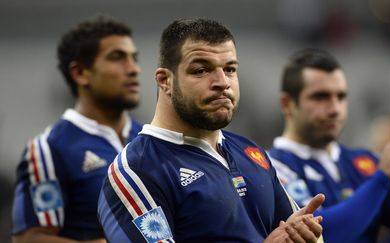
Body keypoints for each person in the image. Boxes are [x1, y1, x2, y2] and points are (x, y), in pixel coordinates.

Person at [98, 18, 325, 243]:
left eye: (230, 69)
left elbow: (304, 235)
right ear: (165, 80)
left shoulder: (250, 151)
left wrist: (308, 237)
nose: (222, 82)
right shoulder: (137, 170)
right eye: (201, 70)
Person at [267, 48, 390, 243]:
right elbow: (323, 236)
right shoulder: (271, 168)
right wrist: (382, 178)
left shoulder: (366, 162)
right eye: (321, 97)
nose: (335, 109)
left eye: (341, 96)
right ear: (287, 104)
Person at [11, 15, 142, 242]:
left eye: (134, 58)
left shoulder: (149, 139)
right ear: (80, 73)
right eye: (117, 57)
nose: (133, 69)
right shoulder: (49, 150)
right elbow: (29, 238)